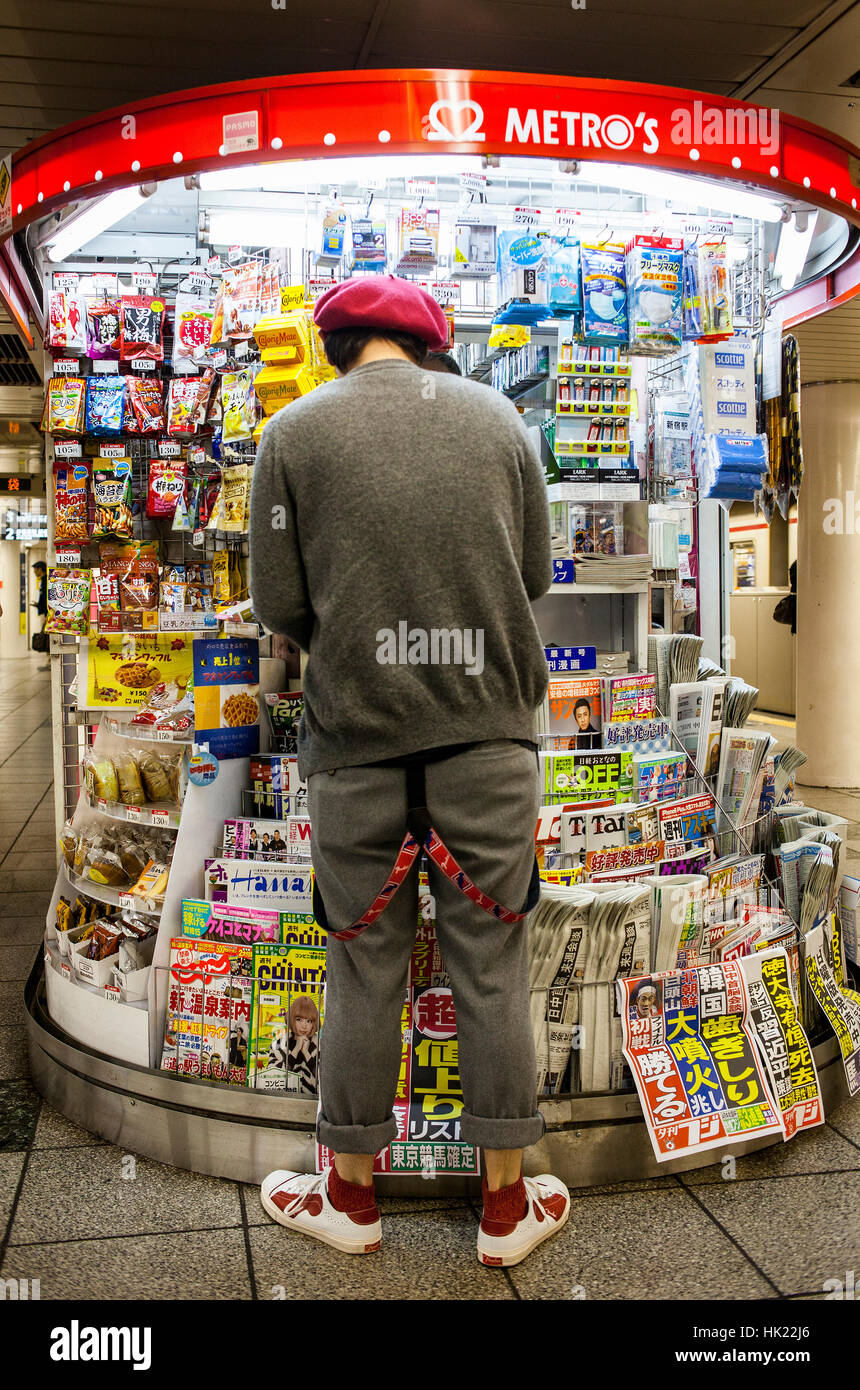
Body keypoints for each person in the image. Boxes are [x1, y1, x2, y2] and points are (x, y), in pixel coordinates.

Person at [249, 275, 569, 1266]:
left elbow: (278, 601)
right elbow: (531, 577)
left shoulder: (291, 434)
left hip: (356, 748)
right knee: (490, 965)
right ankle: (505, 1211)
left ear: (336, 343)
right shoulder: (499, 422)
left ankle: (349, 1195)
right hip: (487, 746)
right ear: (433, 343)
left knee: (362, 966)